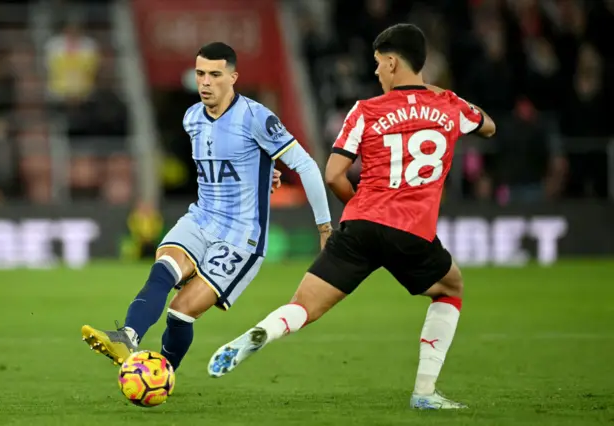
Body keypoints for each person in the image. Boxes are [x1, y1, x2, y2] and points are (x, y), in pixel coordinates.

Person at [207, 24, 496, 410]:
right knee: (450, 288)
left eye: (378, 64)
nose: (376, 72)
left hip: (359, 224)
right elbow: (489, 127)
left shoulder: (365, 110)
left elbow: (332, 175)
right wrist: (452, 100)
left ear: (393, 62)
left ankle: (264, 330)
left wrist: (361, 205)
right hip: (412, 231)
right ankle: (425, 393)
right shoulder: (449, 106)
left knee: (304, 305)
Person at [81, 42, 332, 372]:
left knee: (180, 311)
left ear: (233, 77)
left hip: (241, 236)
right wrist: (260, 173)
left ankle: (163, 374)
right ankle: (126, 337)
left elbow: (307, 165)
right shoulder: (192, 117)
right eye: (200, 74)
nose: (206, 82)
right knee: (162, 271)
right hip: (201, 218)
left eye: (215, 74)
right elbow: (230, 162)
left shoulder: (255, 117)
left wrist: (325, 227)